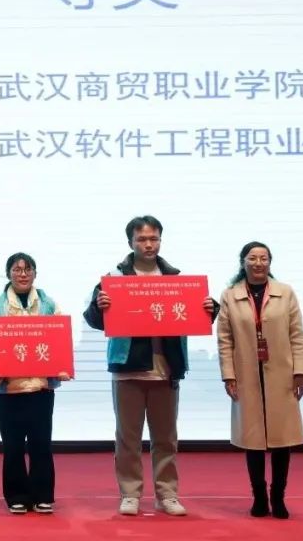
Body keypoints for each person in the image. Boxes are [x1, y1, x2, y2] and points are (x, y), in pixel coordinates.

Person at [82, 215, 217, 517]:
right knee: (127, 438)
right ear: (130, 242)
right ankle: (130, 494)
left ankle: (167, 494)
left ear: (160, 241)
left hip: (166, 369)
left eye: (153, 238)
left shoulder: (176, 279)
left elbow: (195, 317)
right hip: (127, 368)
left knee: (165, 438)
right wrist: (99, 307)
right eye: (142, 239)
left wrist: (211, 309)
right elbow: (93, 320)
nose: (148, 244)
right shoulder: (114, 278)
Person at [217, 241, 303, 519]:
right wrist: (229, 375)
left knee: (282, 438)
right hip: (246, 374)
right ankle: (259, 497)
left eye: (264, 258)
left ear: (270, 262)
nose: (258, 263)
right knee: (252, 439)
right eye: (252, 258)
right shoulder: (230, 296)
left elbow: (297, 335)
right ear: (242, 262)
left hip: (281, 373)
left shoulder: (285, 293)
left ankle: (278, 497)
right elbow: (225, 340)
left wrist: (300, 371)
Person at [0, 252, 70, 515]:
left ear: (35, 273)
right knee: (13, 446)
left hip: (40, 387)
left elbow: (59, 342)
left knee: (41, 444)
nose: (23, 274)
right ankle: (17, 496)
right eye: (17, 269)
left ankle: (42, 495)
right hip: (10, 390)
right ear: (8, 273)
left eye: (28, 269)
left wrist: (63, 367)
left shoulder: (49, 305)